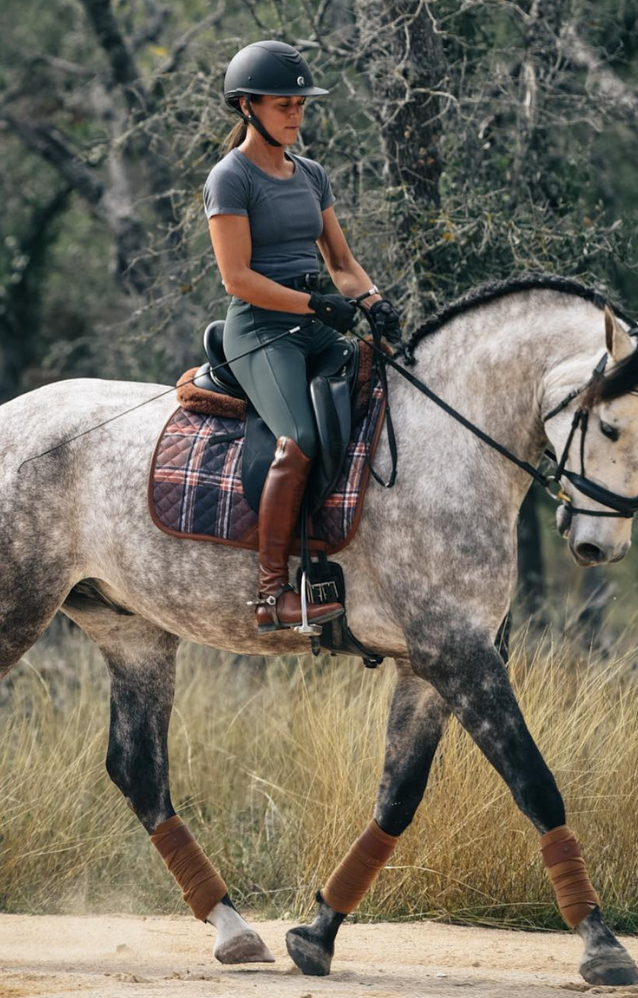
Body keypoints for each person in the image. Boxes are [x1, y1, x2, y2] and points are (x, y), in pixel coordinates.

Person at [204, 39, 401, 633]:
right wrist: (316, 302)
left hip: (315, 323)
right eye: (284, 104)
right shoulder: (230, 178)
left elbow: (341, 261)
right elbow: (236, 277)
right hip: (262, 330)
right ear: (247, 108)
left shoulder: (311, 174)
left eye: (301, 104)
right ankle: (271, 599)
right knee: (299, 436)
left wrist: (373, 301)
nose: (296, 114)